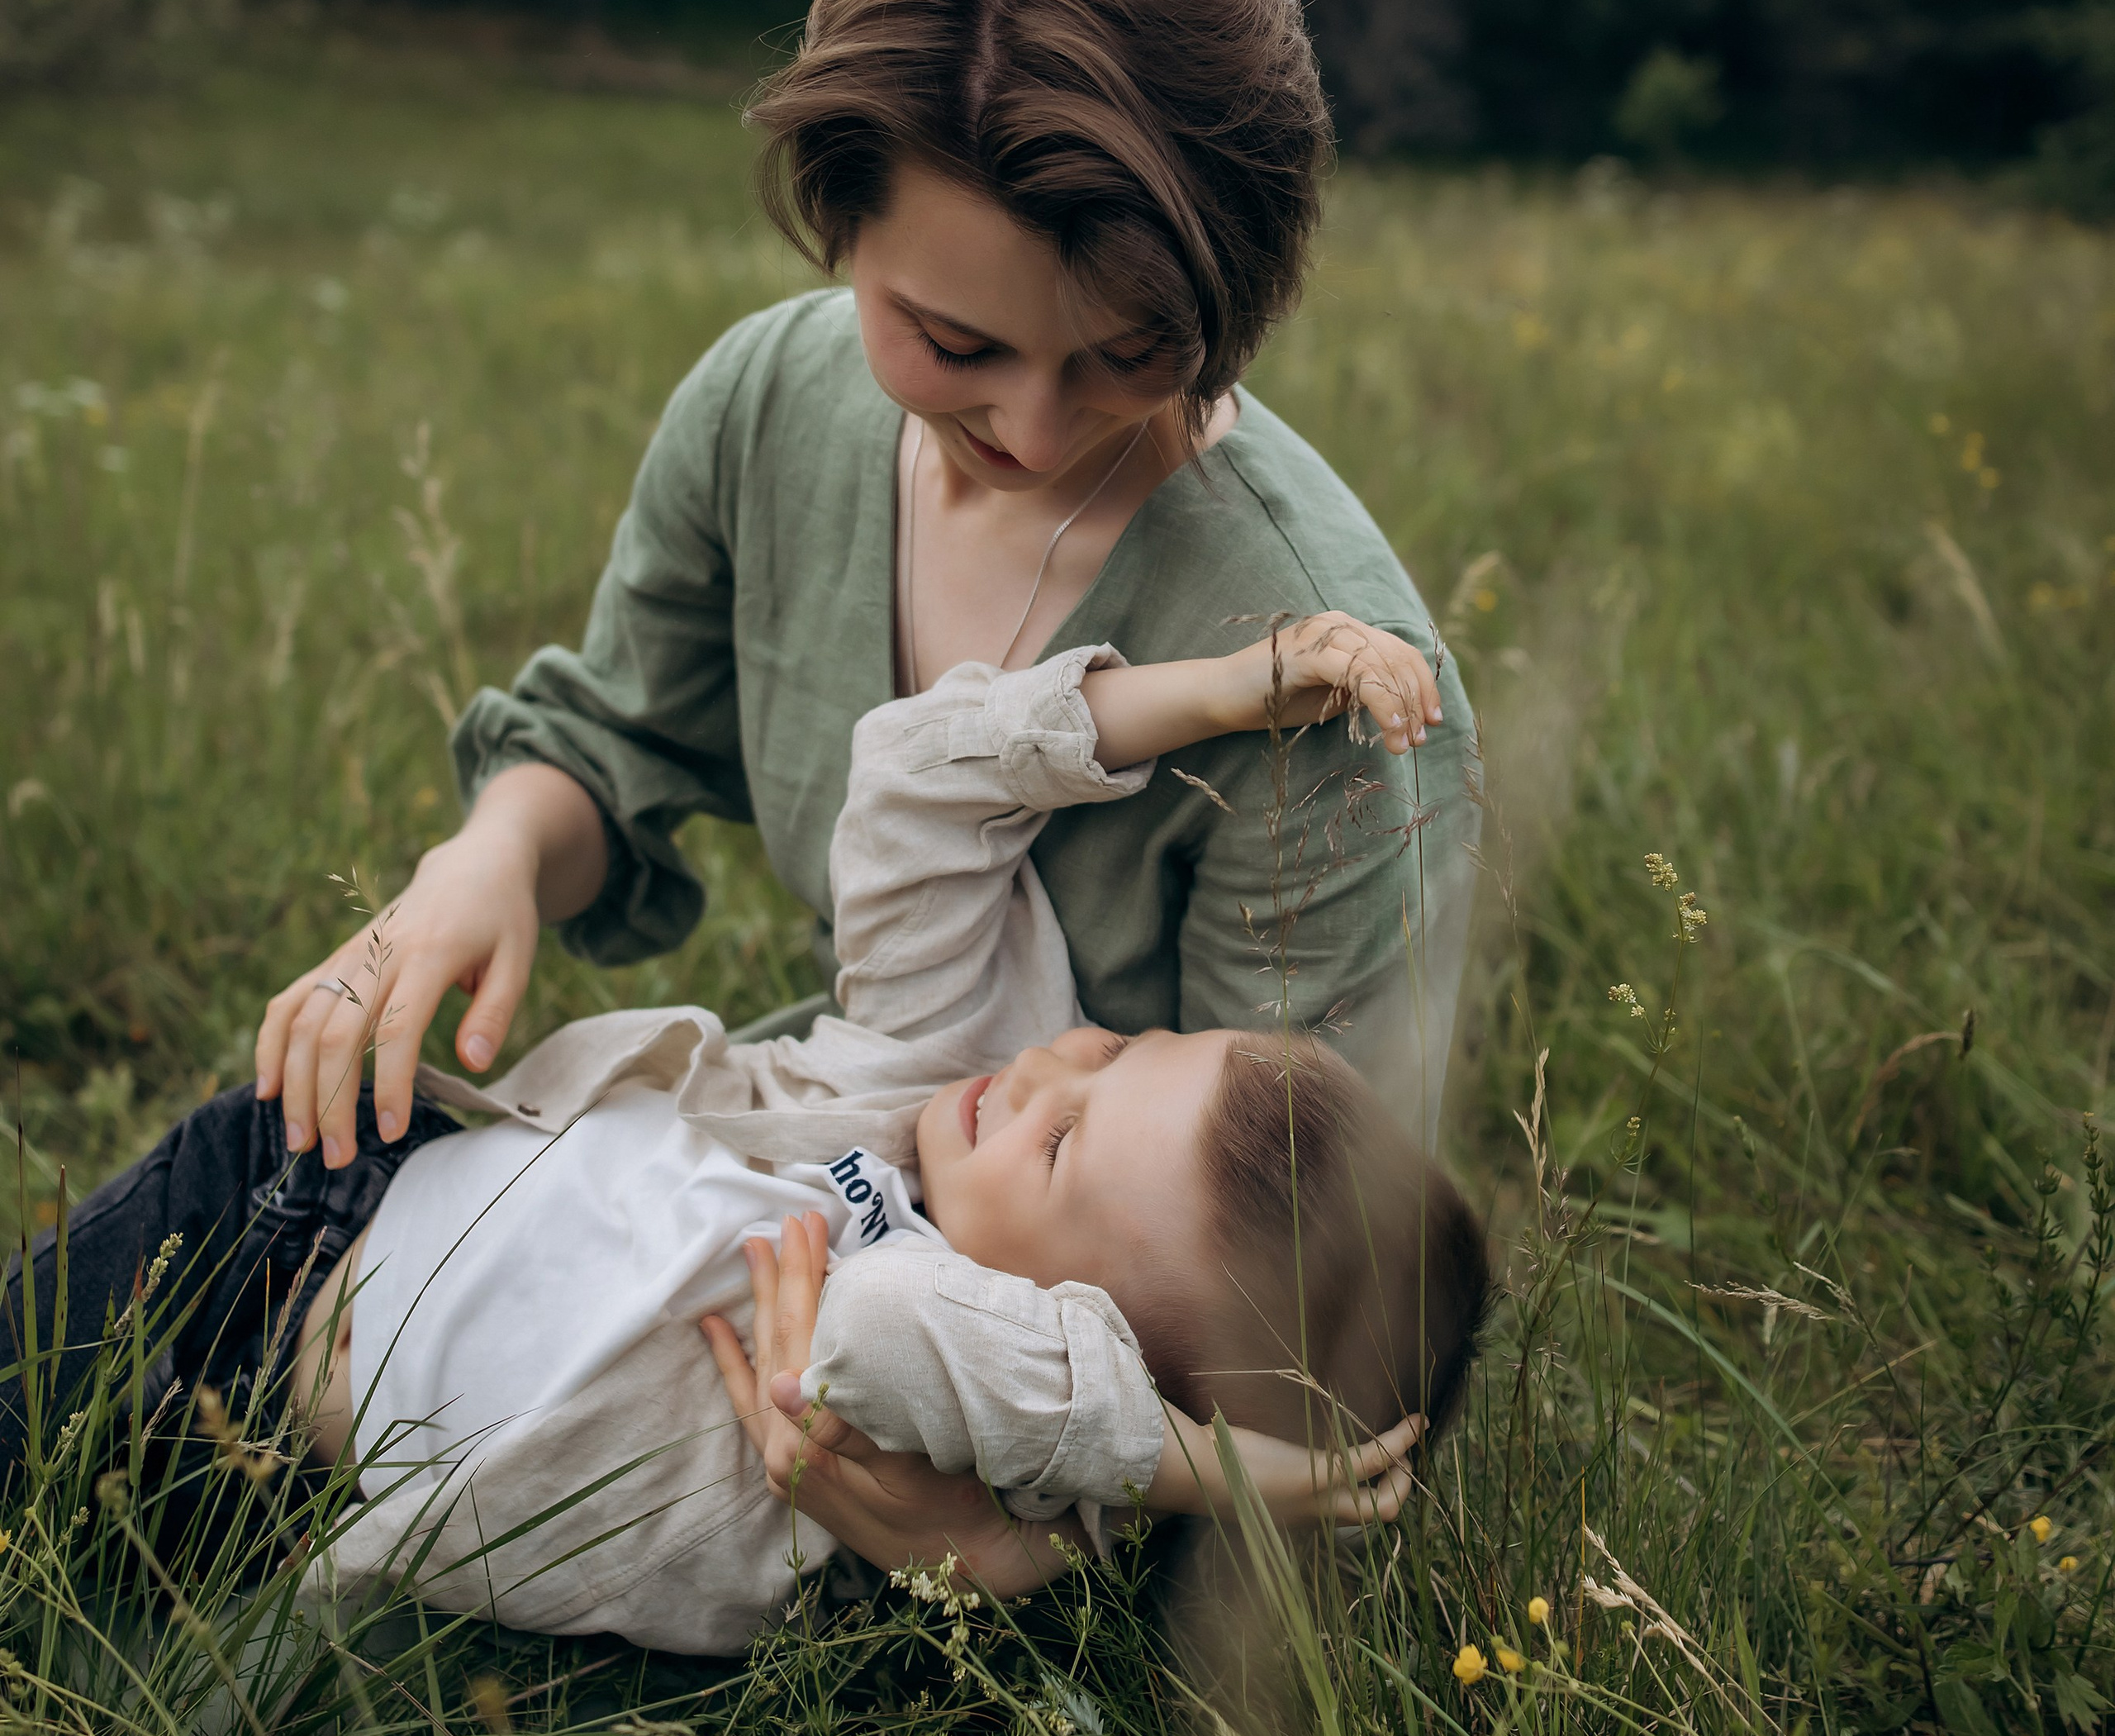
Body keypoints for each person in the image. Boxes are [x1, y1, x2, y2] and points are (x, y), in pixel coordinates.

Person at [254, 0, 1480, 1183]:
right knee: (261, 1169)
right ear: (838, 219)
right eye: (955, 343)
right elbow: (612, 746)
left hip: (1035, 1335)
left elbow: (1311, 1270)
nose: (1030, 426)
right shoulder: (768, 407)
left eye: (1129, 356)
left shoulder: (1328, 672)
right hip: (808, 1153)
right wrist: (489, 861)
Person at [3, 618, 1486, 1654]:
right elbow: (915, 779)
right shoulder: (936, 1087)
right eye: (1112, 1049)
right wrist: (1224, 690)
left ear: (1085, 1341)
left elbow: (904, 1327)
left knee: (74, 1641)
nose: (1039, 1075)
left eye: (1060, 1148)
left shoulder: (975, 1427)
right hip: (291, 1200)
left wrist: (1208, 1470)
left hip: (290, 1448)